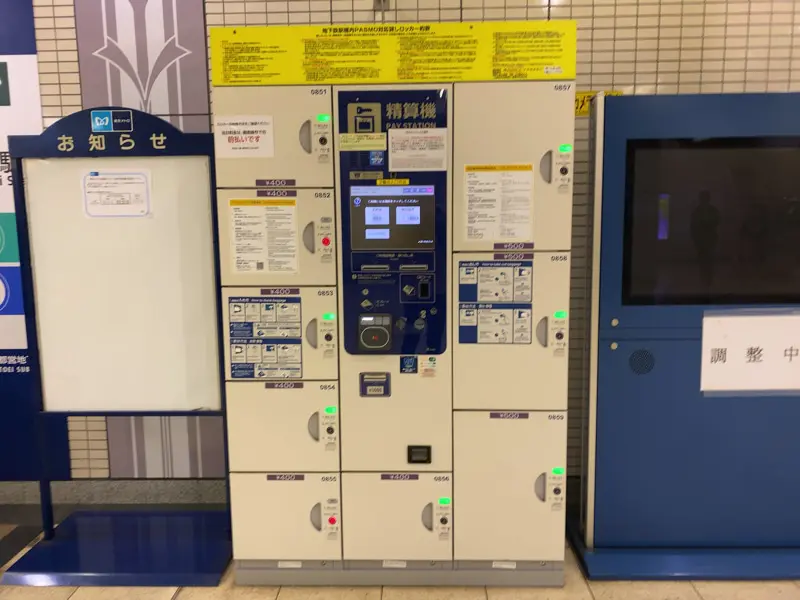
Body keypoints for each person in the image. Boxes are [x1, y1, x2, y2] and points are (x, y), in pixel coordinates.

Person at [690, 190, 720, 285]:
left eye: (704, 197)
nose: (703, 200)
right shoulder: (697, 211)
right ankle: (704, 277)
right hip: (701, 238)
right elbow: (693, 225)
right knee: (703, 258)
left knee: (709, 258)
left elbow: (717, 221)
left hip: (709, 238)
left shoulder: (711, 210)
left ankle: (708, 277)